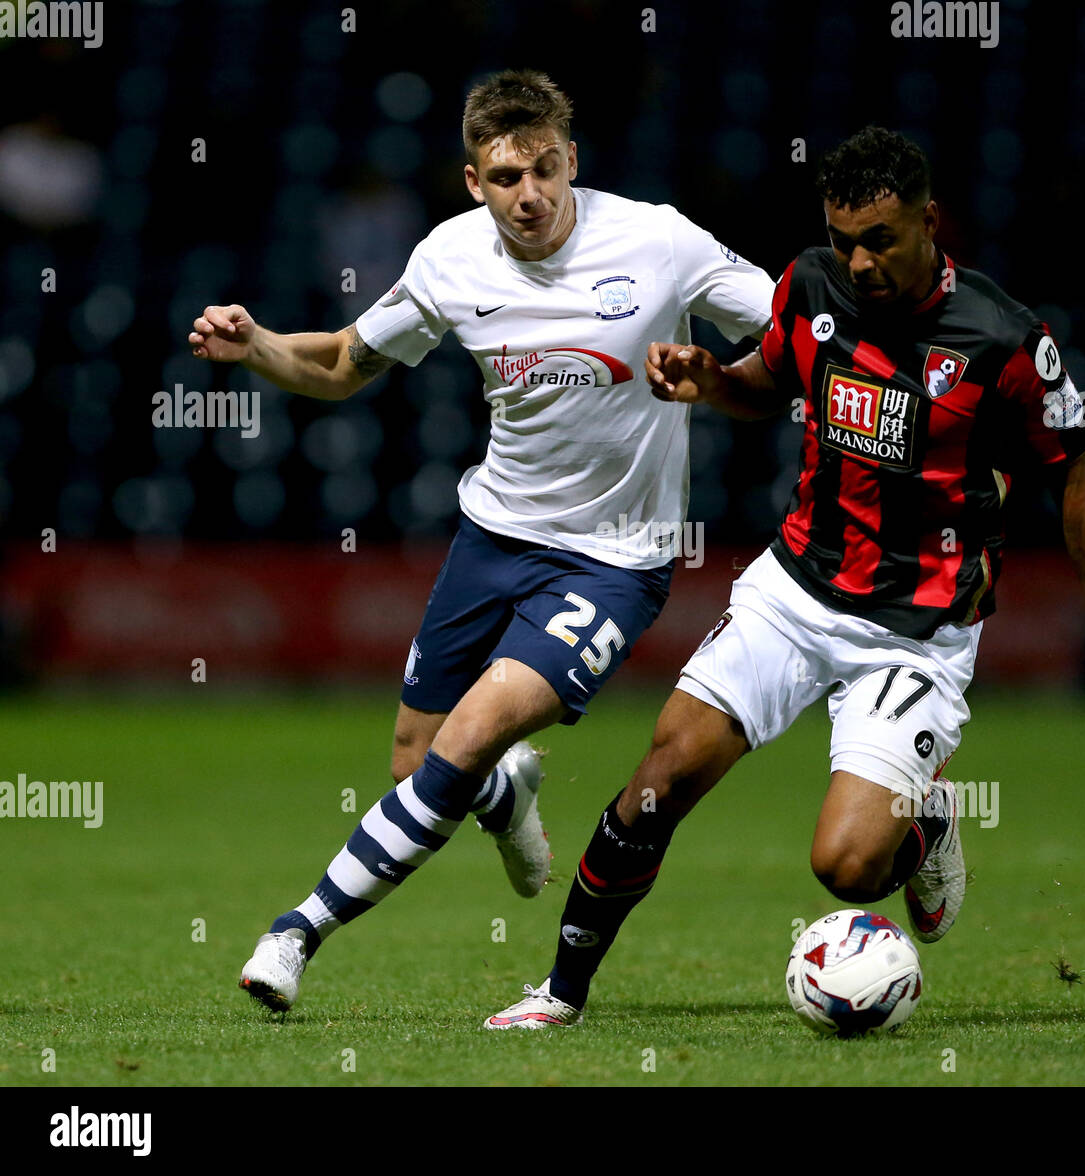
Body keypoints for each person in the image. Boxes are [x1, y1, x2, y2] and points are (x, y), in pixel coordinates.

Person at [486, 126, 1085, 1029]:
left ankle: (922, 826)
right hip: (794, 591)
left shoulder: (1003, 340)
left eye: (881, 239)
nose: (860, 262)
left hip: (916, 633)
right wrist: (711, 379)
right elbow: (771, 381)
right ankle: (560, 994)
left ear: (931, 222)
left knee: (846, 868)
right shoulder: (811, 284)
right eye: (845, 239)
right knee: (661, 778)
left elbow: (1076, 475)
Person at [187, 69, 774, 1011]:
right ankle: (505, 797)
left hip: (617, 557)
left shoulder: (658, 241)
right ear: (473, 181)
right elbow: (344, 363)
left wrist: (723, 375)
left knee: (467, 734)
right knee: (420, 768)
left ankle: (295, 934)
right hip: (493, 536)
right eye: (507, 178)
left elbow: (793, 329)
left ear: (572, 161)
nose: (530, 194)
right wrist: (255, 345)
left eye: (546, 169)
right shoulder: (451, 259)